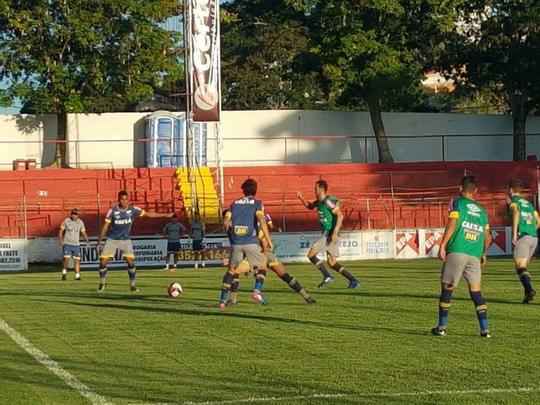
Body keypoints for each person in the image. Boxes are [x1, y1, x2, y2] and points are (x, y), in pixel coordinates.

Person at [432, 176, 492, 338]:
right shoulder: (482, 211)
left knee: (447, 289)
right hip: (474, 255)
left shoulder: (457, 202)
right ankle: (485, 330)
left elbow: (452, 223)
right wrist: (483, 253)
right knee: (476, 292)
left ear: (460, 188)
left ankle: (442, 327)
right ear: (476, 191)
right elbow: (488, 237)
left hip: (457, 250)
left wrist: (443, 245)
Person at [97, 190, 174, 293]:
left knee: (131, 262)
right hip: (112, 239)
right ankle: (102, 283)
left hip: (125, 240)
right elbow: (105, 226)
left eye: (126, 199)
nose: (124, 201)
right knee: (103, 262)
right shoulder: (113, 211)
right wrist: (100, 241)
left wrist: (165, 215)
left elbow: (148, 214)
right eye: (122, 199)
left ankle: (132, 285)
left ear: (128, 200)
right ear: (118, 200)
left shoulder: (133, 209)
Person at [219, 179, 272, 309]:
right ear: (255, 190)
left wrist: (227, 225)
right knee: (263, 265)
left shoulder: (234, 203)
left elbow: (226, 220)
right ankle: (256, 291)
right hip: (251, 241)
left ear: (243, 190)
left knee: (231, 271)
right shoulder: (257, 203)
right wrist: (269, 240)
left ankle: (222, 301)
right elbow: (261, 219)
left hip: (236, 242)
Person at [297, 180, 359, 288]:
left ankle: (327, 276)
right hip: (327, 233)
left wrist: (334, 233)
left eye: (315, 188)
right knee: (332, 263)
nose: (314, 190)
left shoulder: (327, 201)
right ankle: (353, 280)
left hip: (329, 233)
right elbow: (310, 206)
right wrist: (301, 198)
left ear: (321, 189)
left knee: (311, 254)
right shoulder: (319, 202)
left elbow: (340, 215)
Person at [507, 179, 540, 303]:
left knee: (520, 267)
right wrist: (532, 229)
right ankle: (527, 295)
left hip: (523, 237)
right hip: (534, 238)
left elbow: (515, 212)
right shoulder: (529, 204)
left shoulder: (514, 202)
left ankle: (530, 289)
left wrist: (515, 235)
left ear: (510, 190)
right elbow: (539, 221)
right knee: (523, 268)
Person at [58, 208, 89, 281]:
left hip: (76, 244)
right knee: (66, 259)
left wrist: (87, 240)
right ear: (71, 214)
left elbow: (83, 232)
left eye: (76, 214)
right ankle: (64, 272)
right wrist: (61, 240)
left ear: (78, 215)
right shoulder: (66, 221)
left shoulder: (80, 222)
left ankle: (77, 275)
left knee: (77, 260)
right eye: (73, 214)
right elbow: (61, 231)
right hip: (67, 243)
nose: (75, 215)